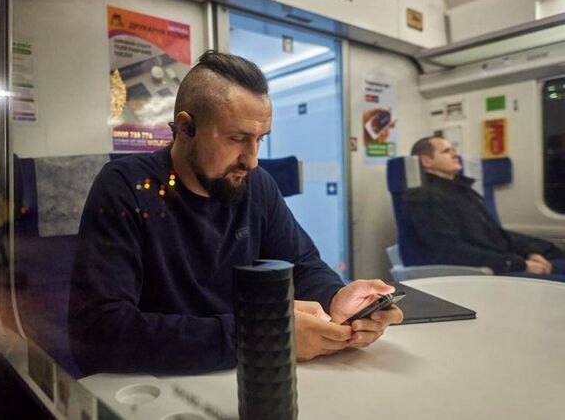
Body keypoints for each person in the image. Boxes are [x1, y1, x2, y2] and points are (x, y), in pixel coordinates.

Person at [69, 50, 403, 376]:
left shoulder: (257, 186)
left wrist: (335, 297)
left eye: (260, 139)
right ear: (186, 127)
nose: (252, 160)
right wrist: (259, 335)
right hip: (159, 383)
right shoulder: (126, 187)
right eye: (237, 138)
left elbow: (302, 266)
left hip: (240, 374)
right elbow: (99, 332)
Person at [403, 136, 565, 280]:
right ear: (427, 161)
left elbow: (494, 236)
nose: (455, 154)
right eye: (446, 151)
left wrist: (530, 252)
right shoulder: (425, 198)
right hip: (483, 273)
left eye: (454, 150)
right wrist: (520, 264)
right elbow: (451, 250)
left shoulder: (461, 191)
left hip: (500, 262)